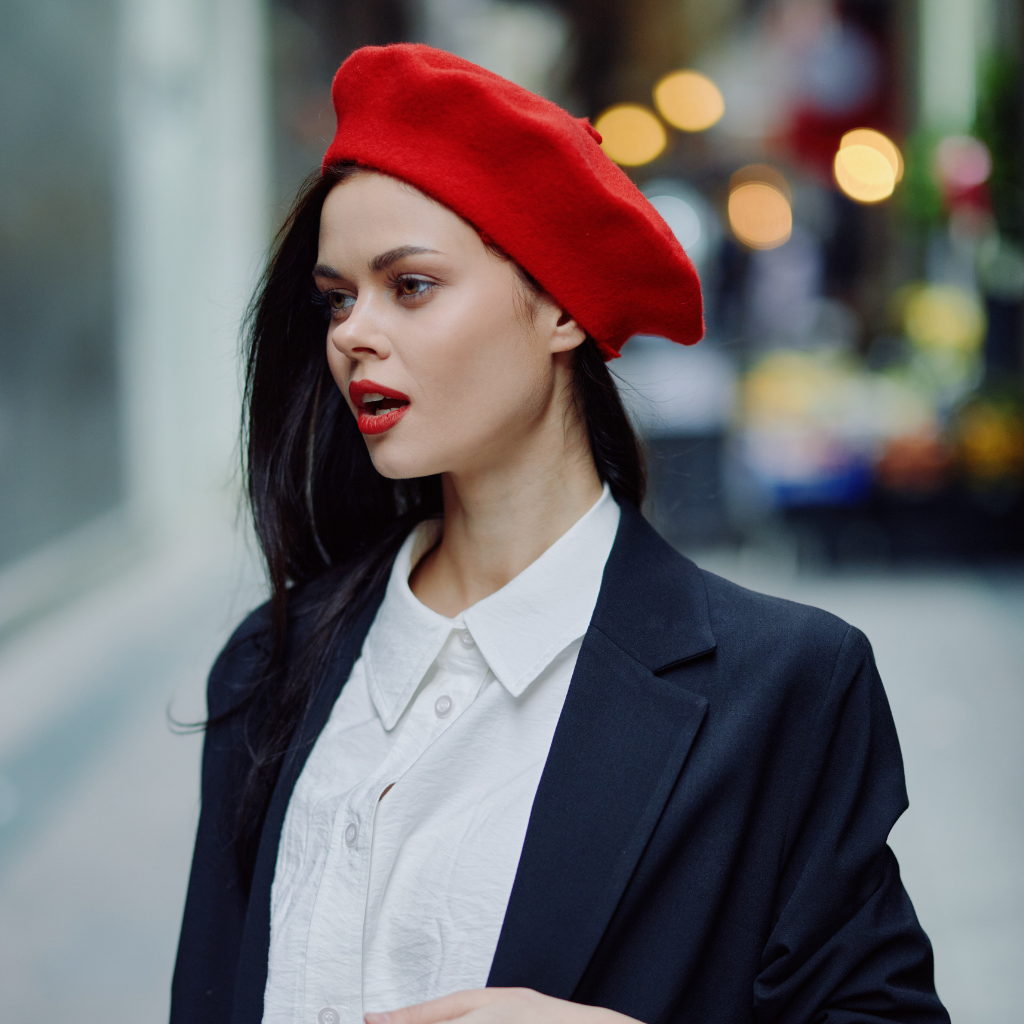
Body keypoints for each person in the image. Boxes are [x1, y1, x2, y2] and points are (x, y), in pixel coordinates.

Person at [171, 44, 948, 1024]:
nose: (351, 332)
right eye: (337, 296)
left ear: (557, 306)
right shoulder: (267, 661)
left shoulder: (782, 687)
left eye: (408, 285)